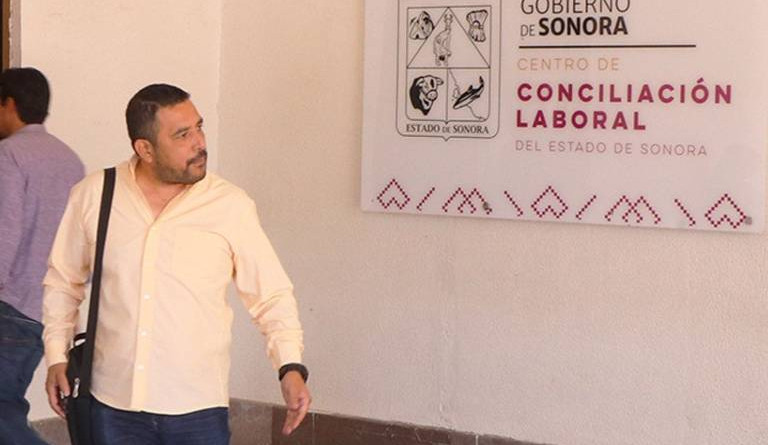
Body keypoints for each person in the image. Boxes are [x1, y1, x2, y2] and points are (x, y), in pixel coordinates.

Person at [42, 83, 310, 444]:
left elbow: (271, 295)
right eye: (183, 135)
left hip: (197, 409)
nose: (199, 142)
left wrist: (289, 366)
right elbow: (63, 281)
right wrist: (56, 356)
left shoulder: (229, 205)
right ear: (145, 149)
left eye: (199, 127)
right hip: (112, 405)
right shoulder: (95, 194)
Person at [0, 67, 85, 444]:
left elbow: (4, 232)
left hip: (12, 305)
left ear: (9, 104)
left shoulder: (9, 154)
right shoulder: (69, 160)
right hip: (50, 308)